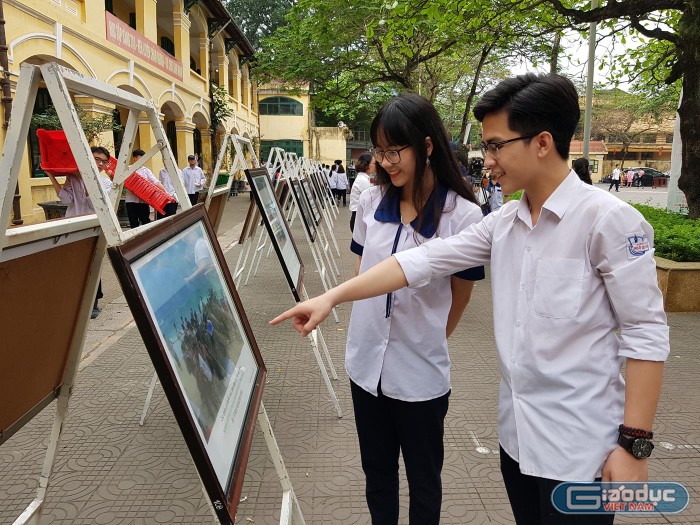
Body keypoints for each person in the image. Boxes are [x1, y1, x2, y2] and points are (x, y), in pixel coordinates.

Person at [271, 74, 669, 525]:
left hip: (583, 451)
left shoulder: (610, 221)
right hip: (517, 440)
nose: (488, 160)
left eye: (496, 146)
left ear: (541, 142)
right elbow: (415, 262)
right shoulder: (503, 223)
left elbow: (646, 334)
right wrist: (331, 298)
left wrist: (634, 444)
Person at [301, 93, 486, 524]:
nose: (385, 162)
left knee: (424, 481)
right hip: (365, 366)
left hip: (420, 375)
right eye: (380, 152)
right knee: (377, 474)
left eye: (394, 151)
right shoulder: (371, 203)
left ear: (426, 146)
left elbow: (461, 293)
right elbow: (364, 271)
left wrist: (434, 339)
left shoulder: (463, 216)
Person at [45, 146, 114, 319]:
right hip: (74, 227)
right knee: (75, 265)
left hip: (94, 229)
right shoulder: (73, 178)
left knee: (93, 265)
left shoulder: (106, 183)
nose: (99, 164)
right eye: (96, 159)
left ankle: (94, 303)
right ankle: (75, 302)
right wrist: (50, 175)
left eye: (103, 162)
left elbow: (96, 205)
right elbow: (66, 199)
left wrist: (88, 180)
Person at [126, 149, 167, 228]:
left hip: (144, 201)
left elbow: (156, 182)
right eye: (141, 158)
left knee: (145, 221)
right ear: (135, 159)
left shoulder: (146, 171)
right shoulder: (128, 170)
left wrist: (165, 191)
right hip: (131, 200)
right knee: (133, 222)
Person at [349, 152, 375, 231]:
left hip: (359, 215)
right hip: (359, 216)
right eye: (373, 163)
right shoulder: (363, 180)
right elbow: (370, 200)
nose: (375, 166)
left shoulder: (364, 178)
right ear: (366, 165)